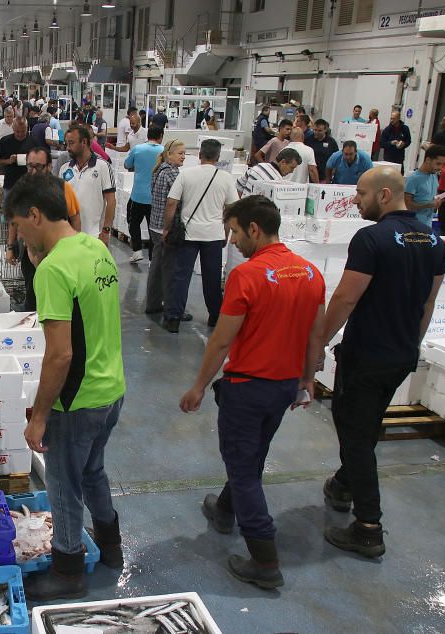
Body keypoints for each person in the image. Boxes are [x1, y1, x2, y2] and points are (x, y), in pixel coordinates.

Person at [180, 195, 325, 590]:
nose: (232, 242)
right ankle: (225, 510)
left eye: (234, 232)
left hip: (246, 388)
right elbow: (316, 335)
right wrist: (308, 379)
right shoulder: (311, 273)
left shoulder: (247, 275)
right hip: (283, 387)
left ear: (254, 229)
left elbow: (221, 341)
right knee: (254, 453)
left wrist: (198, 385)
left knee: (245, 470)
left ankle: (265, 560)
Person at [5, 172, 126, 601]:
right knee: (93, 470)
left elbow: (60, 355)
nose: (16, 234)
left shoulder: (54, 270)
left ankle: (68, 567)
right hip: (111, 389)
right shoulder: (94, 246)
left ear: (35, 215)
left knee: (62, 484)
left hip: (76, 401)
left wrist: (39, 417)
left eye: (18, 224)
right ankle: (111, 548)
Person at [320, 166, 445, 559]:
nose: (355, 199)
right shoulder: (432, 240)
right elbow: (429, 303)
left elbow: (345, 299)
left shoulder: (371, 238)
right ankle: (343, 483)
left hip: (366, 355)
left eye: (360, 193)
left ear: (385, 195)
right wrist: (412, 343)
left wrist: (314, 345)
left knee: (354, 430)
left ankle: (368, 527)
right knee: (367, 420)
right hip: (401, 354)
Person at [162, 139, 239, 333]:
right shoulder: (226, 178)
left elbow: (171, 203)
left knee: (181, 276)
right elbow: (231, 209)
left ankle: (173, 318)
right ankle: (215, 315)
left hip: (188, 233)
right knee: (212, 277)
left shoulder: (186, 175)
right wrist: (226, 232)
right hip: (213, 234)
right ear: (218, 157)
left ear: (199, 155)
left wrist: (167, 227)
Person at [6, 147, 82, 311]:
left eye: (38, 167)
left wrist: (76, 249)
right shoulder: (21, 189)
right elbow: (14, 221)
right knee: (33, 297)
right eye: (29, 166)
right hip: (30, 255)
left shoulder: (63, 189)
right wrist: (11, 247)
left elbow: (75, 218)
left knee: (58, 299)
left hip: (59, 255)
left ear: (49, 166)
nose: (33, 171)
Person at [146, 140, 187, 316]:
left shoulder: (159, 170)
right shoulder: (172, 174)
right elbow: (173, 203)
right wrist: (168, 228)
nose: (183, 157)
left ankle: (153, 302)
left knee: (157, 267)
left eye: (184, 153)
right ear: (169, 154)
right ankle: (170, 307)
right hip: (165, 227)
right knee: (170, 270)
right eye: (180, 153)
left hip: (155, 224)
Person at [59, 124, 116, 245]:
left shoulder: (103, 167)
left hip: (94, 236)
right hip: (69, 236)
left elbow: (111, 201)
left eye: (71, 143)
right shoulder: (64, 169)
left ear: (84, 142)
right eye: (66, 144)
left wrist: (106, 231)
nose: (68, 148)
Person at [123, 126, 164, 263]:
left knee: (133, 222)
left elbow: (126, 164)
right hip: (156, 197)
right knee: (153, 228)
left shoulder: (138, 149)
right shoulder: (164, 151)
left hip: (137, 195)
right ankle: (153, 260)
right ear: (161, 136)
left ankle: (137, 251)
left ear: (148, 136)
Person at [405, 144, 445, 228]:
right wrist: (429, 205)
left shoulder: (434, 175)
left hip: (427, 225)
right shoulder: (413, 178)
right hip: (412, 227)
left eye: (442, 164)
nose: (440, 168)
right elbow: (407, 205)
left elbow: (430, 198)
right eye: (438, 164)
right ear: (428, 160)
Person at [0, 117, 38, 199]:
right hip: (10, 185)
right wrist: (8, 161)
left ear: (27, 128)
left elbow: (41, 163)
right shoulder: (5, 141)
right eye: (17, 131)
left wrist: (29, 160)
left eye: (23, 131)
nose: (20, 134)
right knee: (9, 211)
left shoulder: (34, 142)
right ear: (13, 128)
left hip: (29, 187)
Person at [236, 148, 301, 196]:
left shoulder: (258, 166)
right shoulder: (278, 182)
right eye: (291, 167)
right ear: (283, 162)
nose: (292, 171)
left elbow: (239, 186)